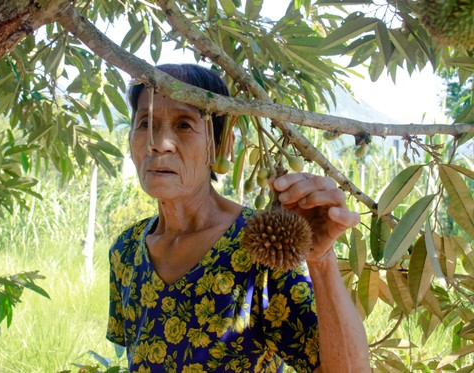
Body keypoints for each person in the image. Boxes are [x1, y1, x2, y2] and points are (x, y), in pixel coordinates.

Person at [107, 64, 370, 372]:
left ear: (221, 145)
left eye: (184, 125)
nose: (159, 142)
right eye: (145, 123)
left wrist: (321, 261)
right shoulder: (126, 251)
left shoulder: (260, 249)